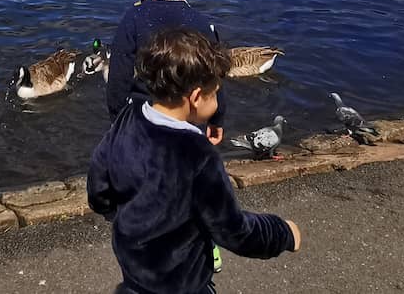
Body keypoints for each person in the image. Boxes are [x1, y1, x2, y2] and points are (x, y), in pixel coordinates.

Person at [89, 28, 301, 294]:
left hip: (133, 267)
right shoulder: (198, 155)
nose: (218, 101)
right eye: (216, 94)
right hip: (181, 282)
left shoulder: (128, 118)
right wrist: (282, 233)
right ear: (197, 97)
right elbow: (234, 231)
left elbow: (98, 178)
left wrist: (114, 212)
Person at [106, 0, 226, 144]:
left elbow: (119, 76)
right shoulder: (200, 22)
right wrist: (216, 118)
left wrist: (118, 119)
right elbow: (214, 74)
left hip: (142, 118)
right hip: (185, 114)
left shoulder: (133, 19)